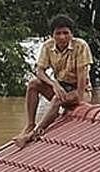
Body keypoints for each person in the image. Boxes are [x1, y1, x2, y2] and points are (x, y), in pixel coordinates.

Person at [13, 14, 93, 148]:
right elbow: (39, 71)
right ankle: (30, 124)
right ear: (52, 35)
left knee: (57, 100)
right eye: (58, 33)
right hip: (60, 86)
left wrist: (78, 99)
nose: (62, 37)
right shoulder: (48, 46)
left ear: (71, 34)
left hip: (80, 89)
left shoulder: (80, 46)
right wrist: (54, 84)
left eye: (66, 33)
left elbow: (82, 78)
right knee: (33, 84)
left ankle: (33, 134)